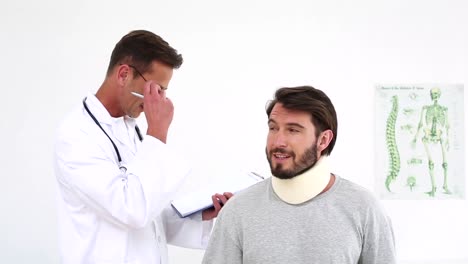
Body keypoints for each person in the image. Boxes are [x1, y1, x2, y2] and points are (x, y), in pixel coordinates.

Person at [54, 30, 231, 264]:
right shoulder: (77, 135)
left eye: (163, 91)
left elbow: (149, 213)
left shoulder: (129, 128)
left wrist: (198, 216)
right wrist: (158, 131)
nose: (159, 99)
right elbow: (131, 211)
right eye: (156, 89)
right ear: (124, 74)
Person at [202, 86, 396, 264]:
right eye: (273, 128)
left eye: (293, 130)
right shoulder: (238, 210)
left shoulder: (364, 208)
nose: (278, 141)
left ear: (323, 140)